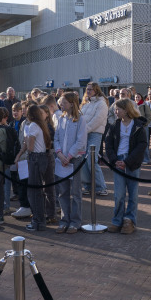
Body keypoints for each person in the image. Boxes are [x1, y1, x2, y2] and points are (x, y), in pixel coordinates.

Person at [104, 98, 148, 234]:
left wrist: (127, 161)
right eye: (115, 109)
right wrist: (114, 160)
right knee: (119, 195)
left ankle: (129, 221)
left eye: (118, 109)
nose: (116, 112)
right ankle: (117, 221)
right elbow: (109, 144)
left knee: (133, 194)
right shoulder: (114, 125)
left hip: (132, 163)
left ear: (126, 110)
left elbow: (141, 145)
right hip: (118, 162)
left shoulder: (138, 126)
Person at [53, 92, 88, 234]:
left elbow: (81, 141)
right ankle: (64, 220)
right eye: (60, 102)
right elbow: (56, 139)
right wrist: (60, 154)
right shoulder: (60, 118)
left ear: (72, 103)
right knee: (63, 192)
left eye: (64, 102)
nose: (61, 105)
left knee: (75, 192)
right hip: (62, 160)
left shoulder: (80, 119)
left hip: (75, 159)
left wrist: (69, 156)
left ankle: (75, 221)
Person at [19, 104, 51, 232]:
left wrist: (26, 138)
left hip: (35, 158)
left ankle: (38, 221)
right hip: (41, 158)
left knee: (34, 192)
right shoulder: (40, 125)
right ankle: (39, 220)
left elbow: (30, 147)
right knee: (36, 191)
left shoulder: (32, 126)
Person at [80, 82, 109, 195]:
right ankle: (88, 186)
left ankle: (101, 187)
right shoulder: (86, 103)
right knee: (83, 160)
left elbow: (97, 120)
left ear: (96, 90)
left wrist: (84, 130)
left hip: (95, 134)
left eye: (90, 89)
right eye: (87, 89)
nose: (88, 91)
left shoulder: (101, 104)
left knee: (91, 160)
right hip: (84, 135)